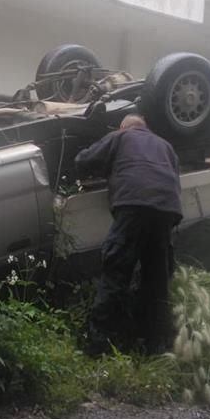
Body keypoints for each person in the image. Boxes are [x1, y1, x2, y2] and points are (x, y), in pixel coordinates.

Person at [74, 113, 182, 355]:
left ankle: (96, 345)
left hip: (133, 205)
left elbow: (84, 161)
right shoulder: (166, 146)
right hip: (166, 210)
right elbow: (174, 178)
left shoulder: (120, 137)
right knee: (157, 281)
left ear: (125, 128)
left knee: (115, 273)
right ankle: (156, 347)